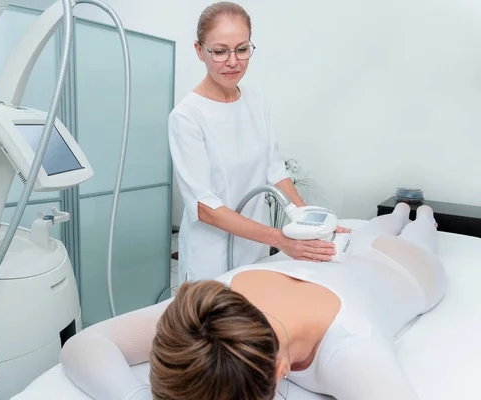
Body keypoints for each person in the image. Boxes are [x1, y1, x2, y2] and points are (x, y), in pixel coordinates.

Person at [60, 203, 446, 400]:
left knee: (417, 232)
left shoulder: (352, 351)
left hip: (404, 269)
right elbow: (85, 345)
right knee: (370, 226)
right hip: (332, 255)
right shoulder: (212, 313)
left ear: (281, 373)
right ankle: (396, 211)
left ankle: (422, 212)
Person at [168, 1, 349, 283]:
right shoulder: (187, 116)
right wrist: (279, 238)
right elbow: (204, 206)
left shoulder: (256, 101)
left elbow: (275, 170)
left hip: (255, 247)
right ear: (199, 51)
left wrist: (313, 225)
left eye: (242, 49)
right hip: (210, 255)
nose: (232, 61)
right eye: (219, 51)